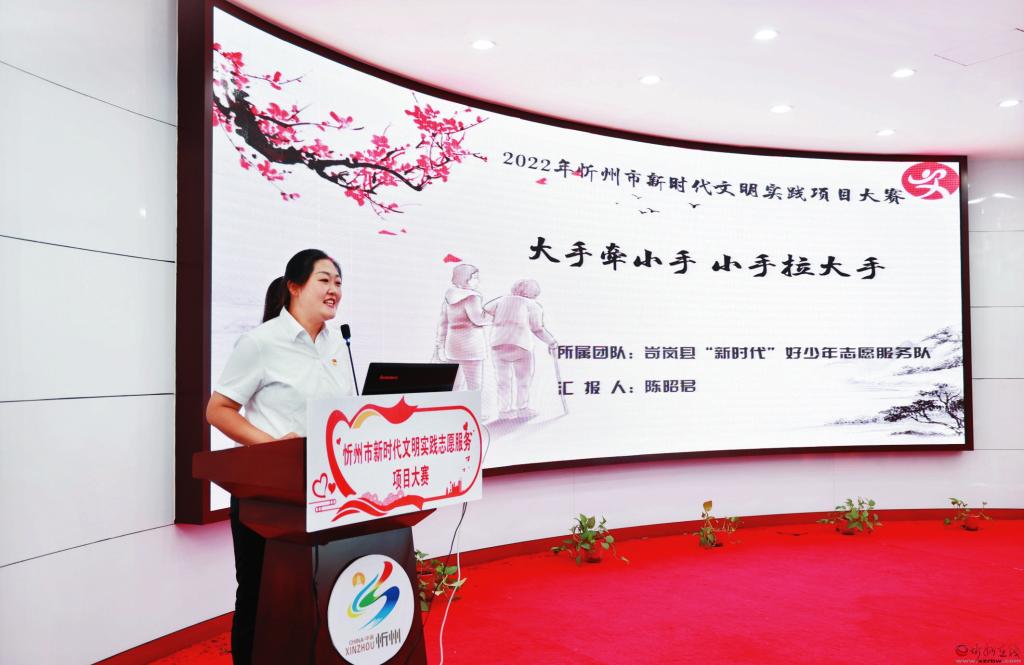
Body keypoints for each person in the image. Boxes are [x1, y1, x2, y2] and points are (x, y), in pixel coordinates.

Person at [206, 249, 355, 665]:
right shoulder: (261, 342)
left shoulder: (336, 343)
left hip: (324, 489)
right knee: (260, 594)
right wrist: (274, 446)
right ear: (294, 287)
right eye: (324, 280)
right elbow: (218, 410)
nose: (334, 290)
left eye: (338, 282)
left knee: (316, 592)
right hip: (267, 492)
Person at [484, 279, 557, 419]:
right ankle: (522, 408)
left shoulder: (500, 300)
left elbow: (486, 310)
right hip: (521, 345)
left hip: (498, 344)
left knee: (502, 381)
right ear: (533, 293)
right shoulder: (533, 305)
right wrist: (552, 342)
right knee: (523, 379)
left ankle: (504, 411)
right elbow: (538, 329)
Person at [434, 264, 489, 391]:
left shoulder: (449, 297)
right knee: (474, 386)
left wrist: (440, 345)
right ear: (466, 278)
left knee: (454, 385)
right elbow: (479, 319)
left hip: (452, 346)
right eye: (475, 277)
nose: (478, 280)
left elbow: (443, 323)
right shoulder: (472, 297)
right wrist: (495, 316)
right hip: (472, 347)